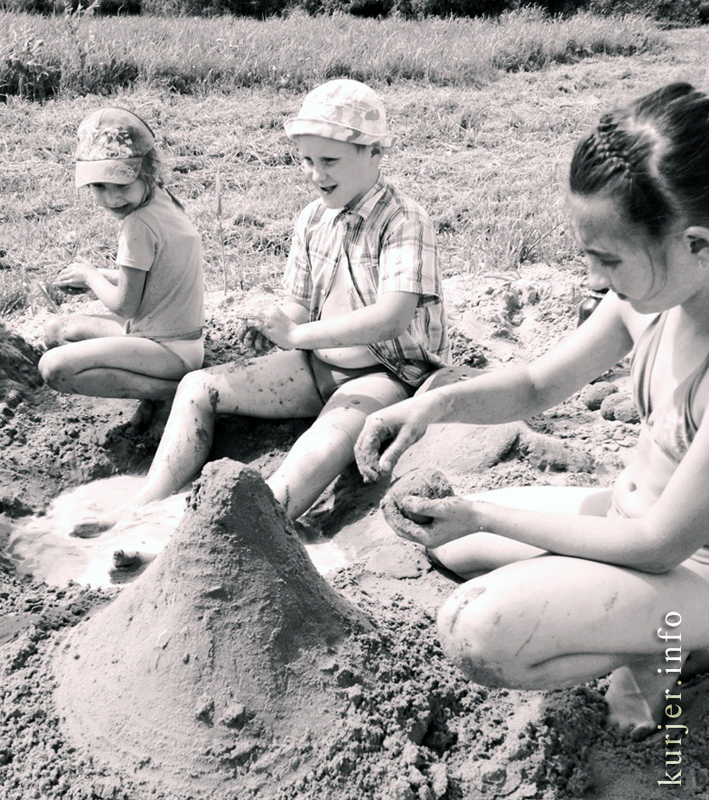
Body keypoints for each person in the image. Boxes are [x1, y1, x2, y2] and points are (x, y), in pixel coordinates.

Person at [354, 82, 709, 740]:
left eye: (609, 259)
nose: (595, 280)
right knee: (454, 547)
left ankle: (666, 647)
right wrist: (432, 404)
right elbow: (537, 386)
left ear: (697, 244)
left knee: (479, 630)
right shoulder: (652, 299)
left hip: (688, 566)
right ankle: (650, 628)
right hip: (628, 521)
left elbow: (660, 544)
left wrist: (484, 513)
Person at [130, 78, 448, 521]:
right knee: (197, 387)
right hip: (314, 364)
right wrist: (277, 324)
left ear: (375, 152)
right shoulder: (313, 218)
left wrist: (298, 334)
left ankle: (245, 528)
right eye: (307, 161)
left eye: (330, 161)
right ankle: (145, 510)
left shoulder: (403, 219)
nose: (317, 175)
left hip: (384, 375)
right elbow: (299, 303)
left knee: (313, 451)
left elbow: (391, 318)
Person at [38, 107, 205, 423]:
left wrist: (91, 275)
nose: (112, 199)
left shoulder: (138, 225)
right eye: (100, 186)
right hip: (179, 339)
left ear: (148, 170)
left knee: (54, 367)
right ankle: (162, 387)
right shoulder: (164, 201)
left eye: (122, 185)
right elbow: (157, 275)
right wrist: (101, 275)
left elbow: (125, 306)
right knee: (56, 330)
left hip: (168, 350)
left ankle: (174, 392)